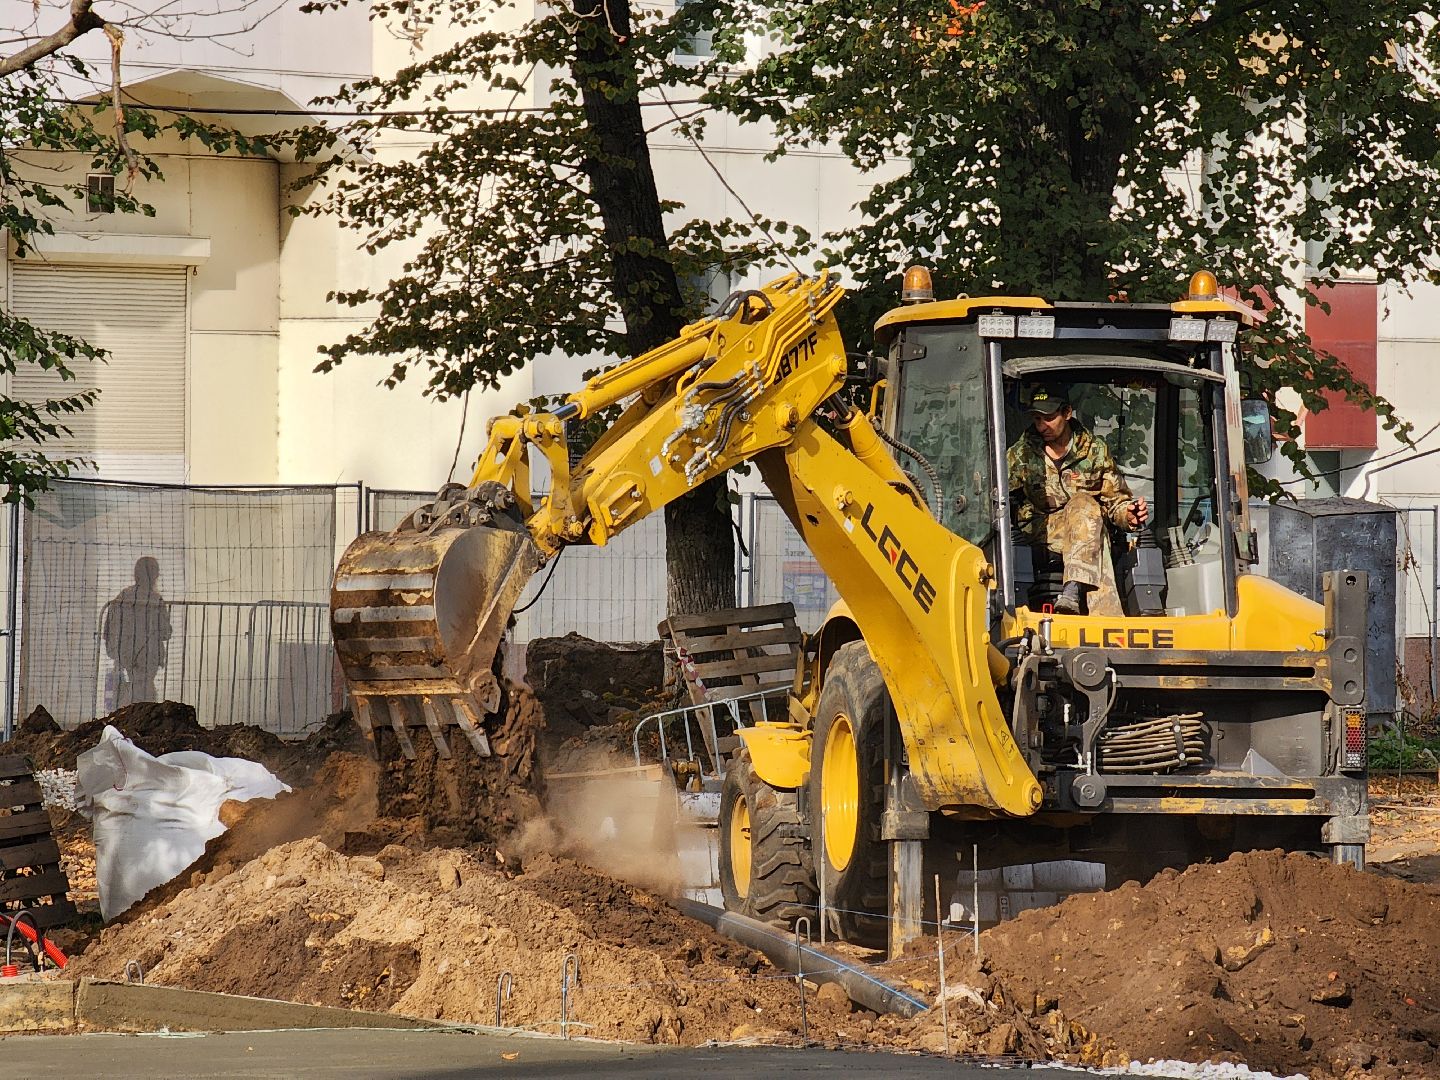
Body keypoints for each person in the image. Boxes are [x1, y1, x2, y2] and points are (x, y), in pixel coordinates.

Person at [1006, 386, 1148, 615]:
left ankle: (1072, 594)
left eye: (1049, 418)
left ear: (1067, 413)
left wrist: (1128, 515)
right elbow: (1000, 499)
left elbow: (1116, 500)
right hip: (1040, 531)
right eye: (1037, 419)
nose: (1042, 426)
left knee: (1085, 509)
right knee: (1088, 517)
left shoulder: (1095, 451)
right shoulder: (1021, 453)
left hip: (1085, 528)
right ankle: (1107, 624)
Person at [102, 556, 172, 706]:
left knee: (131, 689)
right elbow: (165, 632)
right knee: (144, 692)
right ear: (153, 575)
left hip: (125, 653)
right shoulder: (155, 599)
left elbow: (109, 628)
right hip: (149, 654)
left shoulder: (122, 597)